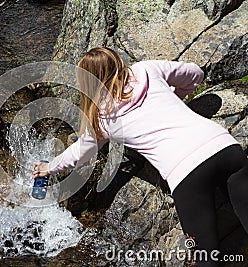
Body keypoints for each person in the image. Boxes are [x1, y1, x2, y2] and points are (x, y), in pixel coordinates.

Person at [33, 47, 248, 266]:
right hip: (226, 148)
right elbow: (195, 74)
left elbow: (79, 153)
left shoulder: (103, 119)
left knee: (206, 258)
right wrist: (175, 100)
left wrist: (49, 167)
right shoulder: (147, 69)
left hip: (187, 175)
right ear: (117, 61)